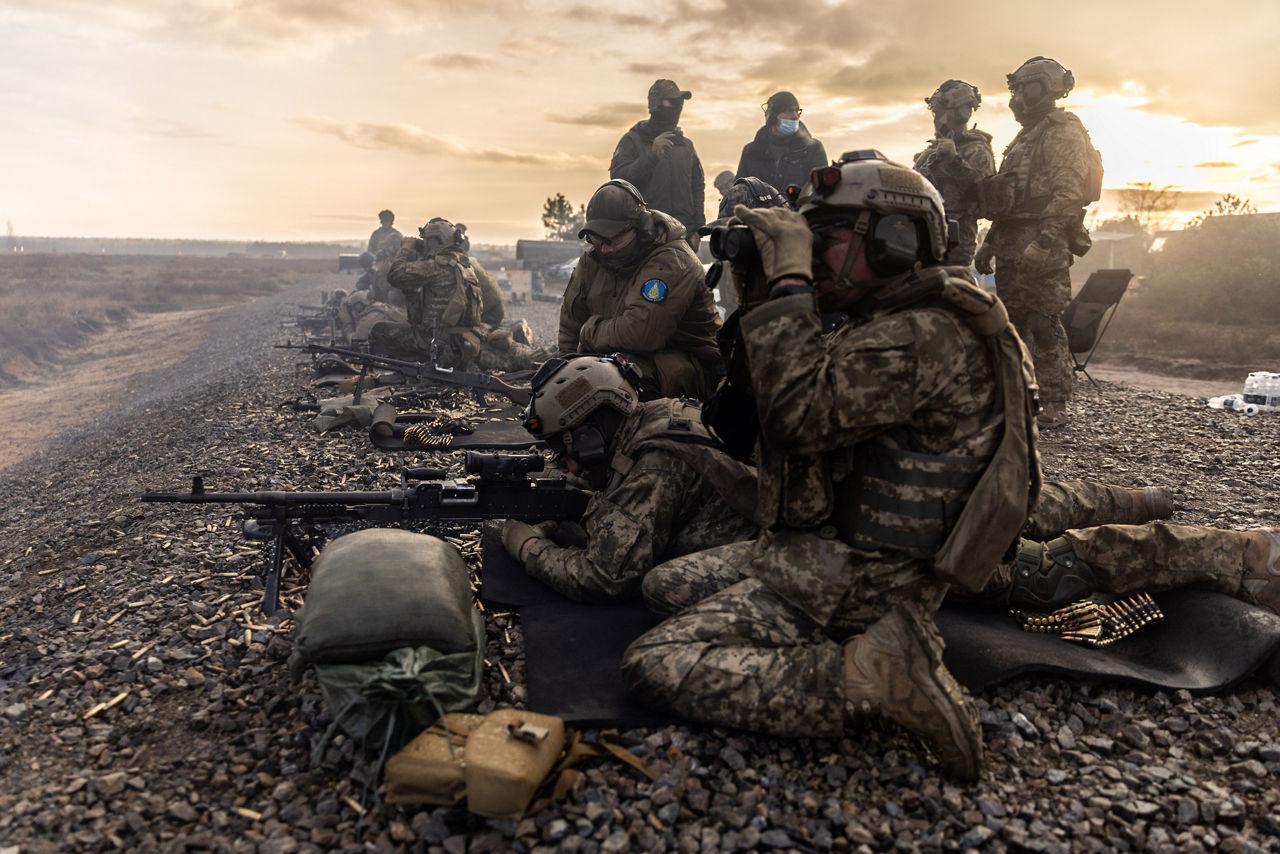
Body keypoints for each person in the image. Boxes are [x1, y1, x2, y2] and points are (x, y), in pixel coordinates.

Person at [622, 150, 1040, 781]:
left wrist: (789, 278)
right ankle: (860, 650)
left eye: (828, 237)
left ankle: (870, 673)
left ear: (898, 240)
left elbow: (795, 419)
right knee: (662, 588)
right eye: (807, 241)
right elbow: (745, 424)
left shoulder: (925, 334)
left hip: (862, 580)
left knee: (652, 662)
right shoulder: (878, 324)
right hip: (823, 551)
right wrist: (763, 286)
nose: (812, 254)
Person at [498, 355, 758, 603]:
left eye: (564, 447)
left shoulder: (654, 464)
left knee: (663, 586)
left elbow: (605, 579)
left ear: (590, 438)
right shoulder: (645, 418)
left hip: (767, 549)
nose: (566, 463)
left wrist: (529, 548)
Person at [975, 57, 1104, 429]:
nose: (1017, 97)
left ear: (1043, 88)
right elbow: (1010, 198)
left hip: (1042, 245)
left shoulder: (1062, 130)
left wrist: (1045, 241)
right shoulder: (1025, 135)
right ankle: (1017, 397)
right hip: (1012, 243)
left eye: (1023, 89)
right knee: (1011, 324)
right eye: (1014, 90)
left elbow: (1068, 192)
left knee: (1044, 323)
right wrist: (990, 243)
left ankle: (1055, 404)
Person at [558, 180, 722, 400]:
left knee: (613, 374)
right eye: (595, 238)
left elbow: (640, 334)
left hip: (691, 368)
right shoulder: (594, 258)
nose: (604, 248)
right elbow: (571, 323)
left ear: (641, 229)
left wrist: (589, 332)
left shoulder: (672, 260)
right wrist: (564, 375)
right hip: (623, 358)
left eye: (612, 239)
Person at [371, 218, 548, 372]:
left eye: (427, 242)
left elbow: (395, 276)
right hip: (467, 337)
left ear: (434, 242)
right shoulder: (464, 264)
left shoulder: (435, 266)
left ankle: (413, 365)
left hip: (439, 341)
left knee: (379, 330)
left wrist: (406, 249)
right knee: (527, 356)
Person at [609, 79, 705, 244]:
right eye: (670, 101)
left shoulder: (686, 145)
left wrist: (698, 230)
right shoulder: (634, 140)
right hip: (647, 234)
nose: (676, 106)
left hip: (683, 235)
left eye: (679, 102)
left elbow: (698, 186)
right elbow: (618, 181)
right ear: (655, 104)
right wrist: (651, 158)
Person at [912, 80, 995, 267]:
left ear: (962, 113)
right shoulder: (930, 152)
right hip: (923, 238)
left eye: (941, 113)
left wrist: (955, 161)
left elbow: (984, 193)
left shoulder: (976, 149)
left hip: (955, 244)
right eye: (935, 113)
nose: (936, 119)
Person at [735, 91, 828, 196]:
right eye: (788, 111)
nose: (795, 116)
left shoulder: (813, 148)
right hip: (760, 212)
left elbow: (822, 191)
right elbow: (739, 189)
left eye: (797, 111)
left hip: (799, 211)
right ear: (773, 116)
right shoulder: (751, 151)